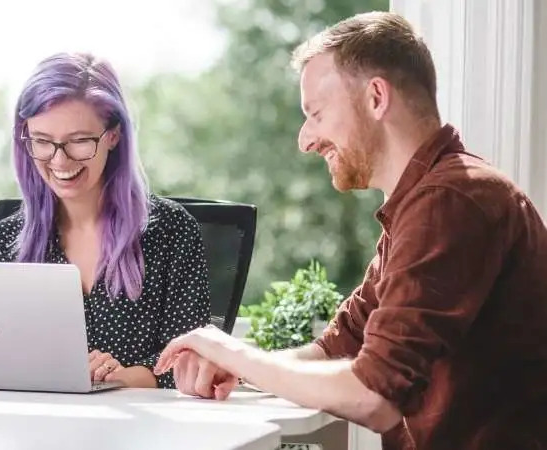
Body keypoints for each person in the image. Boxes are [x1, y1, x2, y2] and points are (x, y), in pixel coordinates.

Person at [153, 11, 547, 449]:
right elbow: (336, 347)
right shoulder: (421, 203)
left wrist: (232, 351)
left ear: (376, 97)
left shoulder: (452, 200)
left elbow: (374, 395)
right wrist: (244, 369)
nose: (305, 139)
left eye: (316, 113)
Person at [0, 52, 212, 389]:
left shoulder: (172, 232)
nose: (60, 160)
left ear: (113, 135)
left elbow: (190, 366)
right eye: (42, 141)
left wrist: (116, 379)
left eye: (79, 141)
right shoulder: (2, 243)